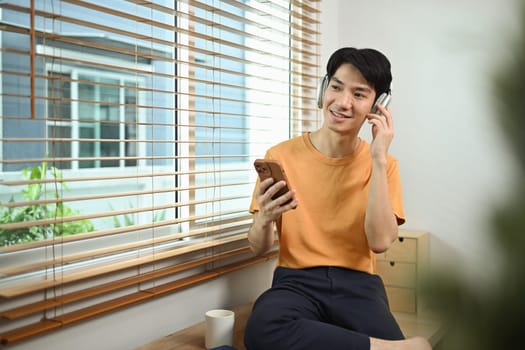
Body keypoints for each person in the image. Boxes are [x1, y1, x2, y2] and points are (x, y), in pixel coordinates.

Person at [244, 47, 432, 350]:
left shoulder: (385, 165)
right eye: (336, 87)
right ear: (324, 88)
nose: (343, 102)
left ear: (378, 104)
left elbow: (380, 242)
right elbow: (259, 246)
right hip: (295, 282)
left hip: (358, 286)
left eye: (359, 94)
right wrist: (264, 218)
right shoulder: (280, 156)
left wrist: (378, 158)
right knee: (261, 329)